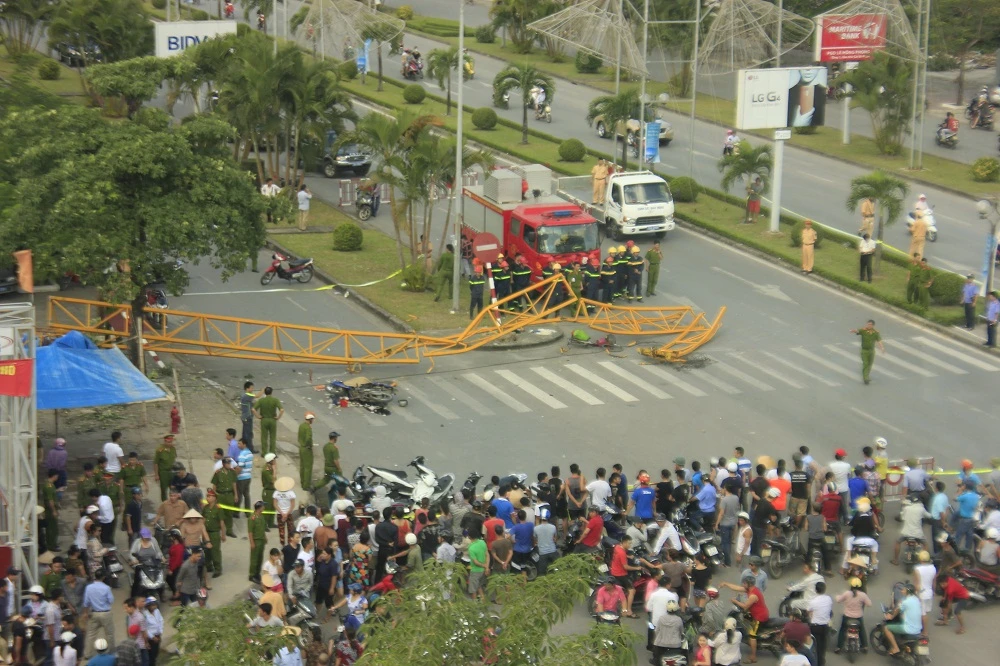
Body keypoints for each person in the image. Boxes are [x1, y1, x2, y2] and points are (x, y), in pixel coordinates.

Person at [720, 575, 768, 664]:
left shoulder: (753, 595)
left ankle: (753, 656)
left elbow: (745, 606)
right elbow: (737, 588)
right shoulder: (750, 589)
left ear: (748, 584)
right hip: (755, 613)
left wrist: (735, 601)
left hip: (759, 617)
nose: (743, 584)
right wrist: (726, 584)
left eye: (744, 583)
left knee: (752, 635)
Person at [881, 583, 922, 656]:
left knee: (886, 628)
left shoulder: (906, 602)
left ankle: (895, 648)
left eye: (903, 590)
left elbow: (897, 610)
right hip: (918, 629)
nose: (901, 591)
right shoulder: (916, 599)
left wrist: (891, 616)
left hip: (909, 629)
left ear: (907, 591)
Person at [82, 571, 115, 660]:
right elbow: (111, 600)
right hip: (106, 613)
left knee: (91, 634)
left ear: (94, 576)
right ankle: (111, 653)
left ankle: (87, 654)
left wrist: (85, 613)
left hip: (94, 613)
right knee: (109, 634)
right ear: (103, 577)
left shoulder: (89, 587)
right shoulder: (107, 588)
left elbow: (86, 602)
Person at [849, 320, 884, 386]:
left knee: (870, 364)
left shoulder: (875, 332)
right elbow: (858, 331)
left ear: (873, 325)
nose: (868, 325)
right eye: (868, 324)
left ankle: (867, 376)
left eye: (870, 324)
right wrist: (853, 330)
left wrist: (882, 347)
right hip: (864, 350)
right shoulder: (863, 330)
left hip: (871, 351)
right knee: (865, 363)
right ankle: (865, 378)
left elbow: (879, 340)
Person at [652, 600, 685, 664]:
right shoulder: (678, 619)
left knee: (657, 661)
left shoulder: (661, 618)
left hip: (660, 645)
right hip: (675, 645)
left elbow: (656, 630)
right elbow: (681, 632)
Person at [254, 387, 284, 458]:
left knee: (264, 437)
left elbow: (253, 409)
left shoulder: (261, 400)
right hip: (272, 420)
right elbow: (282, 410)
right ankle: (272, 453)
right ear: (271, 392)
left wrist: (258, 416)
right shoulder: (275, 400)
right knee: (272, 437)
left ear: (265, 392)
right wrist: (278, 417)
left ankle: (264, 453)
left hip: (264, 420)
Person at [248, 501, 268, 583]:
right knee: (254, 559)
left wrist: (265, 537)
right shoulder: (252, 518)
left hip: (261, 540)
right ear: (259, 508)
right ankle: (252, 575)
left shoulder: (261, 516)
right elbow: (250, 532)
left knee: (260, 558)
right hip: (256, 540)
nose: (264, 508)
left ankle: (257, 573)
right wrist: (252, 542)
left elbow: (262, 529)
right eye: (263, 506)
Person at [143, 597, 163, 666]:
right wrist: (152, 637)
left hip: (158, 635)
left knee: (156, 653)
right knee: (151, 655)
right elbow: (145, 628)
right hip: (151, 638)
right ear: (148, 606)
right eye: (152, 605)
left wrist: (160, 631)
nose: (154, 607)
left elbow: (161, 620)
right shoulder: (145, 615)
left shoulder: (157, 611)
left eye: (155, 605)